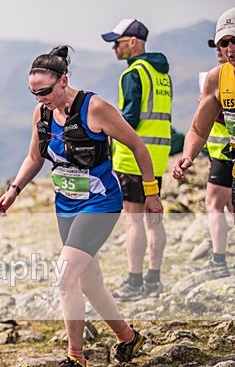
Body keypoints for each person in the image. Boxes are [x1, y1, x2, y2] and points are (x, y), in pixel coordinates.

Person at [0, 46, 159, 367]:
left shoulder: (94, 107)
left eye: (45, 91)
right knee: (89, 283)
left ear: (63, 81)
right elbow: (35, 157)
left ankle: (76, 359)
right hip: (66, 205)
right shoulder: (40, 114)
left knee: (65, 278)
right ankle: (128, 338)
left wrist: (151, 193)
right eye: (34, 93)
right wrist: (14, 190)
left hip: (100, 203)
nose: (40, 98)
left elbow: (138, 145)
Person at [101, 19, 172, 300]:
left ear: (132, 42)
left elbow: (128, 120)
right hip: (157, 157)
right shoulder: (161, 74)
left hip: (133, 158)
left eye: (117, 43)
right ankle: (154, 279)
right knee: (154, 218)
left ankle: (134, 281)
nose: (114, 48)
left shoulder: (133, 74)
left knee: (134, 220)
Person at [174, 7, 235, 276]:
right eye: (224, 42)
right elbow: (199, 130)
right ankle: (220, 262)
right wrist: (187, 156)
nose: (230, 47)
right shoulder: (217, 78)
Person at [192, 38, 234, 278]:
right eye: (218, 46)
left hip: (224, 155)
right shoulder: (216, 77)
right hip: (218, 154)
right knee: (227, 205)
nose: (221, 50)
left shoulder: (220, 79)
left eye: (227, 44)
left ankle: (219, 260)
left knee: (214, 204)